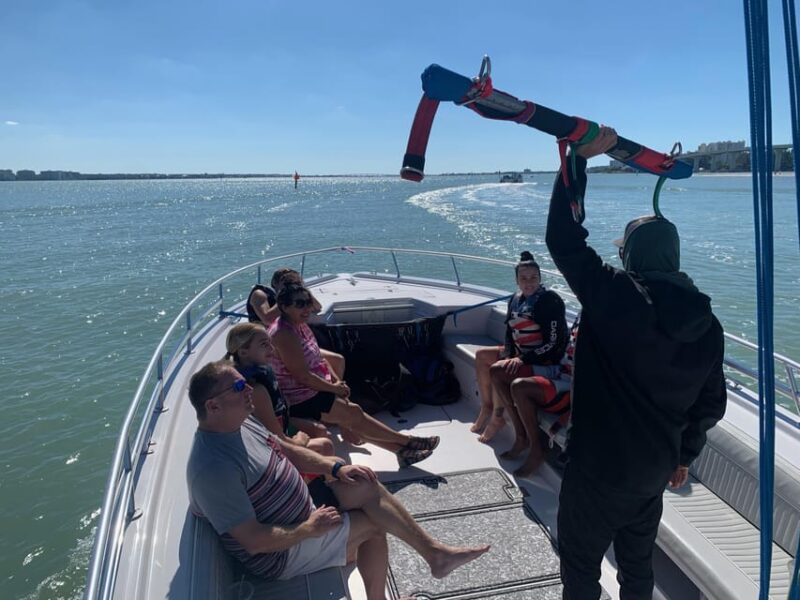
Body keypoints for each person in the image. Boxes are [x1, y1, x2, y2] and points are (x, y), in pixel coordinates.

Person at [545, 127, 727, 599]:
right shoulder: (709, 325)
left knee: (581, 570)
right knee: (637, 568)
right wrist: (684, 455)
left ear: (632, 256)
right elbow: (711, 403)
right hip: (654, 471)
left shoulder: (615, 295)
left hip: (598, 470)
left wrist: (578, 161)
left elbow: (563, 240)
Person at [186, 361, 490, 599]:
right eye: (239, 386)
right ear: (213, 406)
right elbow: (253, 542)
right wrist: (309, 529)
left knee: (363, 482)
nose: (249, 389)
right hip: (282, 552)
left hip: (304, 507)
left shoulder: (242, 423)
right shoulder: (213, 467)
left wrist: (333, 469)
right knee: (373, 525)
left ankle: (435, 554)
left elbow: (289, 450)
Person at [269, 283, 439, 468]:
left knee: (353, 415)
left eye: (308, 302)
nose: (307, 308)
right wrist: (333, 389)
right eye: (300, 304)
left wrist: (336, 381)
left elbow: (318, 359)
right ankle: (407, 441)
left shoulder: (300, 325)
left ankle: (401, 452)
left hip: (312, 388)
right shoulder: (284, 334)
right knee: (353, 414)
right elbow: (303, 376)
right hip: (297, 398)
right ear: (284, 307)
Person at [470, 251, 568, 447]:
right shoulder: (515, 299)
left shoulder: (549, 301)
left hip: (544, 360)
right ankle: (487, 407)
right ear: (516, 280)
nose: (529, 282)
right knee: (482, 356)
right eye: (523, 278)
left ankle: (498, 417)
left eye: (534, 278)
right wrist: (510, 354)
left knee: (499, 368)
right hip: (521, 353)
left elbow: (555, 344)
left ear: (540, 278)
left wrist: (522, 359)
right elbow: (509, 331)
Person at [225, 321, 334, 452]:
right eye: (264, 344)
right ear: (243, 353)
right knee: (326, 445)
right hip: (267, 444)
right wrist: (299, 442)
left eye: (270, 343)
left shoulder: (263, 370)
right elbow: (277, 438)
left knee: (320, 430)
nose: (271, 349)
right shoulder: (254, 389)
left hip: (281, 424)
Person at [505, 316, 579, 477]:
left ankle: (537, 448)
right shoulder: (583, 314)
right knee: (501, 371)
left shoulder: (605, 323)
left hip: (574, 384)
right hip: (559, 369)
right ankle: (520, 436)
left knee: (520, 387)